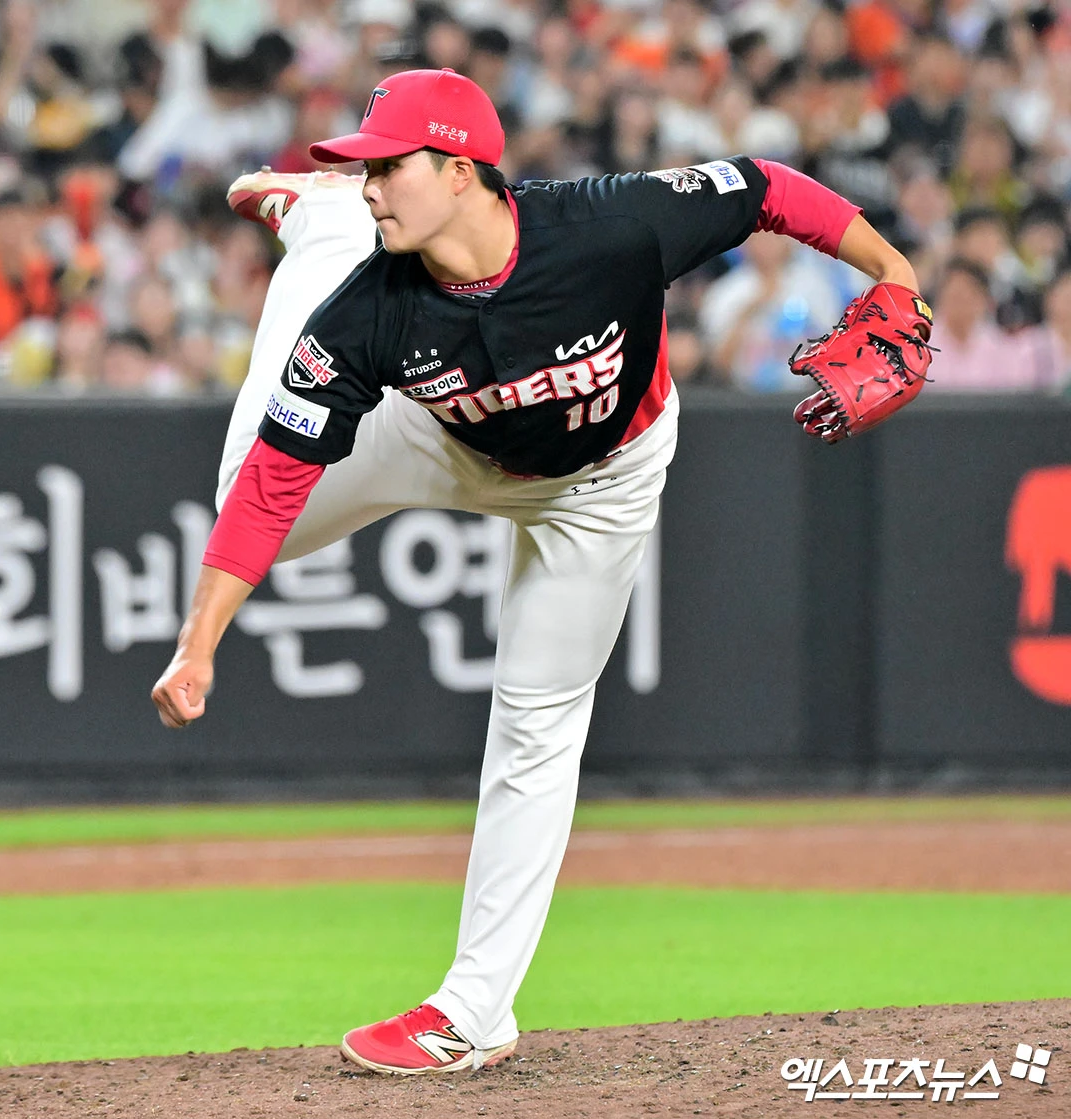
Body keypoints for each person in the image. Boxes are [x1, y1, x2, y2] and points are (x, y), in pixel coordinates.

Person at [151, 68, 922, 1076]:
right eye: (364, 172)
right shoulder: (370, 312)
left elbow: (766, 187)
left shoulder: (610, 227)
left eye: (389, 168)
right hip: (432, 438)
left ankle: (471, 1012)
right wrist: (199, 643)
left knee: (537, 720)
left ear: (460, 169)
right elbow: (269, 489)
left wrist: (893, 274)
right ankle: (317, 226)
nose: (376, 183)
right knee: (240, 489)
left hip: (602, 481)